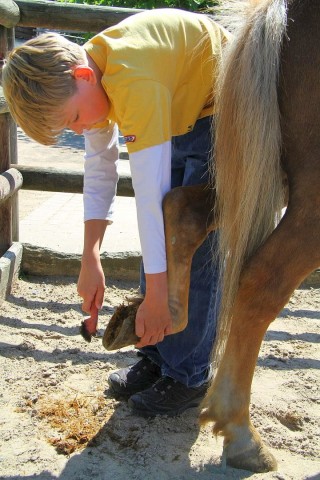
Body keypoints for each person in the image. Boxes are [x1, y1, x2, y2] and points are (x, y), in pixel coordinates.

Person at [2, 8, 230, 417]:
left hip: (222, 109)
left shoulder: (131, 81)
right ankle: (157, 355)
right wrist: (90, 257)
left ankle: (189, 374)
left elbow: (148, 193)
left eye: (72, 119)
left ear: (83, 78)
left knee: (194, 245)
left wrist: (160, 293)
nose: (78, 130)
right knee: (162, 230)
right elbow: (101, 171)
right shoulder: (89, 79)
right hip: (179, 102)